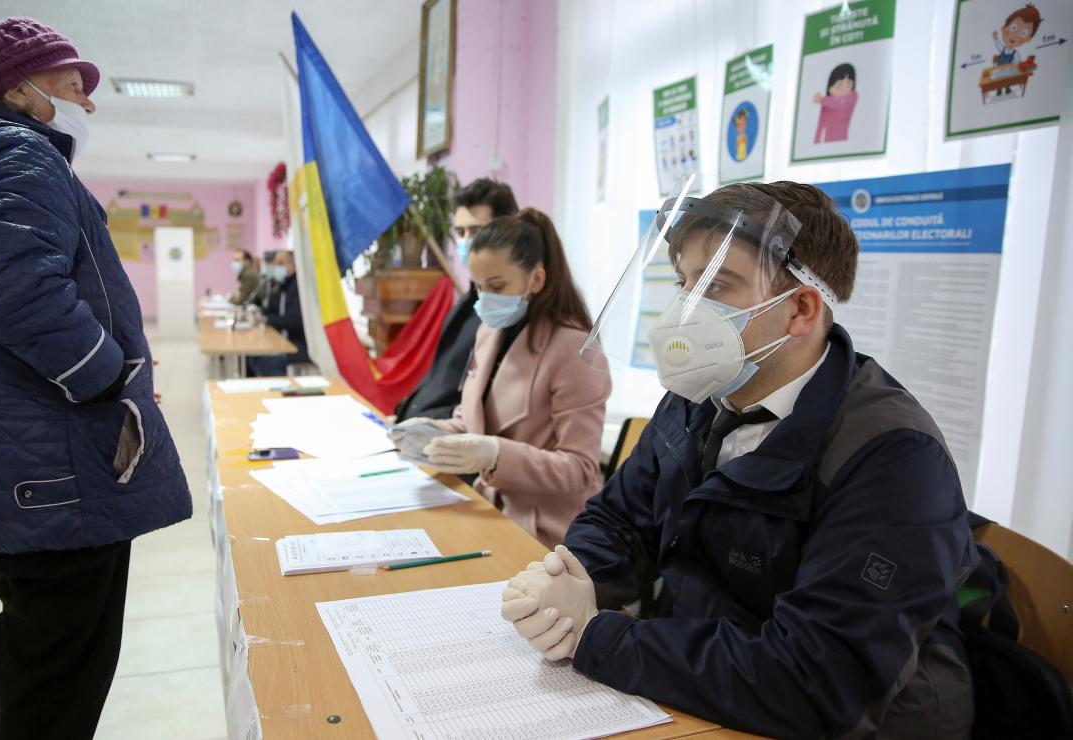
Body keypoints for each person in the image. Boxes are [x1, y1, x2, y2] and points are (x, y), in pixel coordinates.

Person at [499, 182, 977, 738]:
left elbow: (815, 679)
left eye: (717, 286)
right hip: (708, 692)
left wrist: (599, 636)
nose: (685, 311)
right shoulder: (699, 396)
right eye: (685, 283)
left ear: (800, 308)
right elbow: (620, 519)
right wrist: (571, 580)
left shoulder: (893, 459)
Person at [0, 17, 192, 740]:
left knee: (37, 658)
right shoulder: (20, 158)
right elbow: (16, 289)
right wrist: (107, 377)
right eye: (71, 82)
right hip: (57, 471)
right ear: (15, 88)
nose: (89, 101)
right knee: (60, 677)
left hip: (19, 461)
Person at [393, 209, 610, 548]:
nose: (485, 299)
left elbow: (580, 469)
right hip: (486, 509)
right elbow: (470, 422)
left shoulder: (575, 350)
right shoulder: (489, 332)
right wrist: (425, 432)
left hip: (547, 530)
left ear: (536, 280)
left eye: (496, 286)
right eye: (478, 287)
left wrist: (496, 454)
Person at [394, 178, 518, 420]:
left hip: (446, 441)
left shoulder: (506, 310)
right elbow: (438, 381)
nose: (467, 242)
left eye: (477, 231)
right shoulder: (465, 302)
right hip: (414, 432)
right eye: (460, 232)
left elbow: (482, 407)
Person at [247, 249, 310, 376]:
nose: (275, 268)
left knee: (268, 362)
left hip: (299, 345)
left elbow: (294, 320)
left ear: (293, 266)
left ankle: (277, 393)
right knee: (252, 355)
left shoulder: (299, 287)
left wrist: (266, 320)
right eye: (275, 264)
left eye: (280, 264)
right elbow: (271, 309)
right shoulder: (282, 286)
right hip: (282, 339)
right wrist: (258, 313)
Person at [812, 63, 858, 144]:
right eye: (840, 85)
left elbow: (839, 103)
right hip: (826, 141)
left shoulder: (852, 96)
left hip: (842, 140)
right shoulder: (827, 104)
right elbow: (820, 125)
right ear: (830, 89)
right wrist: (816, 141)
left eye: (848, 85)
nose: (844, 88)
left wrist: (821, 100)